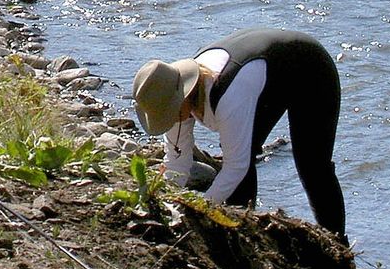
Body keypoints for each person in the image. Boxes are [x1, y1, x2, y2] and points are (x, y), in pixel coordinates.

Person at [133, 29, 347, 240]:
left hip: (309, 69)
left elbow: (236, 167)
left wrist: (200, 209)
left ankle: (338, 245)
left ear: (185, 95)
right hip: (267, 75)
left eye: (170, 114)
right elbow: (177, 162)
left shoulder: (228, 96)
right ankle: (244, 233)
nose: (169, 120)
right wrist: (168, 203)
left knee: (313, 167)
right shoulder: (168, 94)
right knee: (245, 156)